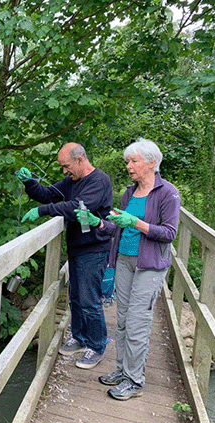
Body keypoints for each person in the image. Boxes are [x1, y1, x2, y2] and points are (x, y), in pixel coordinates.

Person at [76, 138, 181, 400]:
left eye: (134, 161)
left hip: (150, 265)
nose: (129, 166)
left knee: (137, 323)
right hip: (123, 259)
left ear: (151, 162)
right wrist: (97, 222)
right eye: (127, 162)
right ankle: (122, 371)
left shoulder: (168, 193)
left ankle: (135, 380)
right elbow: (117, 227)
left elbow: (169, 233)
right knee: (122, 319)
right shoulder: (128, 192)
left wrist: (136, 222)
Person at [17, 142, 112, 369]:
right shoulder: (72, 181)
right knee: (76, 298)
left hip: (94, 248)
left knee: (90, 300)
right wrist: (30, 182)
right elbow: (48, 194)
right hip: (77, 247)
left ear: (80, 160)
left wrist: (42, 211)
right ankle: (79, 338)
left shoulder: (99, 181)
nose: (64, 171)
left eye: (66, 166)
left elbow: (75, 207)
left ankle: (97, 346)